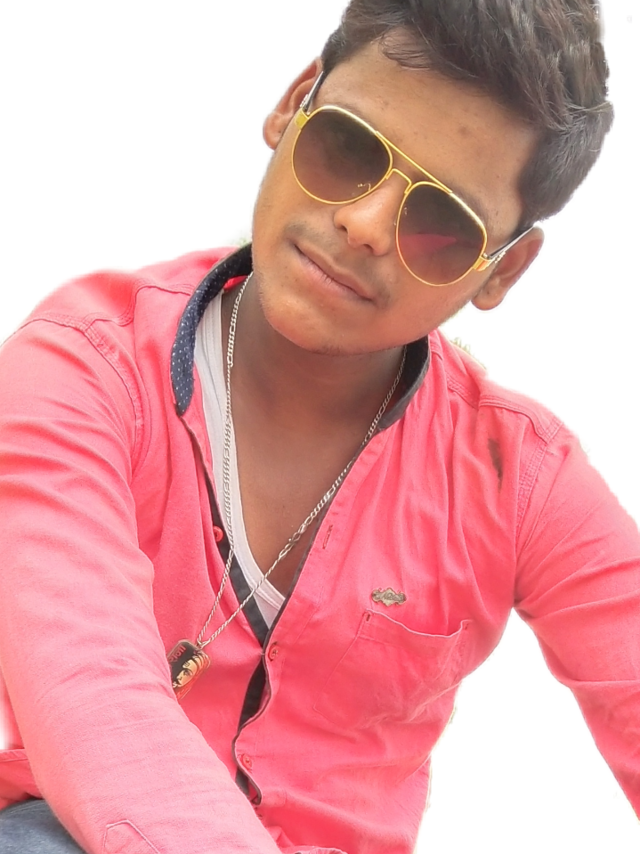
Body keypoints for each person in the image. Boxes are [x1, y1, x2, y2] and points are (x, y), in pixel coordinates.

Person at [0, 2, 635, 852]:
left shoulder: (520, 476)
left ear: (502, 271)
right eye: (349, 148)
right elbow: (95, 699)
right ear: (293, 104)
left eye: (440, 222)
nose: (364, 225)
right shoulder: (80, 367)